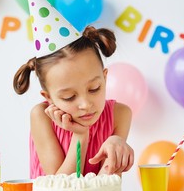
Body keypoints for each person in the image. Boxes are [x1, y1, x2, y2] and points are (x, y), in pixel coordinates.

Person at [13, 25, 134, 178]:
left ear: (104, 78)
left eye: (94, 88)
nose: (86, 105)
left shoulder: (120, 114)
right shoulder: (41, 116)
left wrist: (115, 155)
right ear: (48, 97)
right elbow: (60, 189)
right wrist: (80, 134)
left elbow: (104, 189)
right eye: (69, 97)